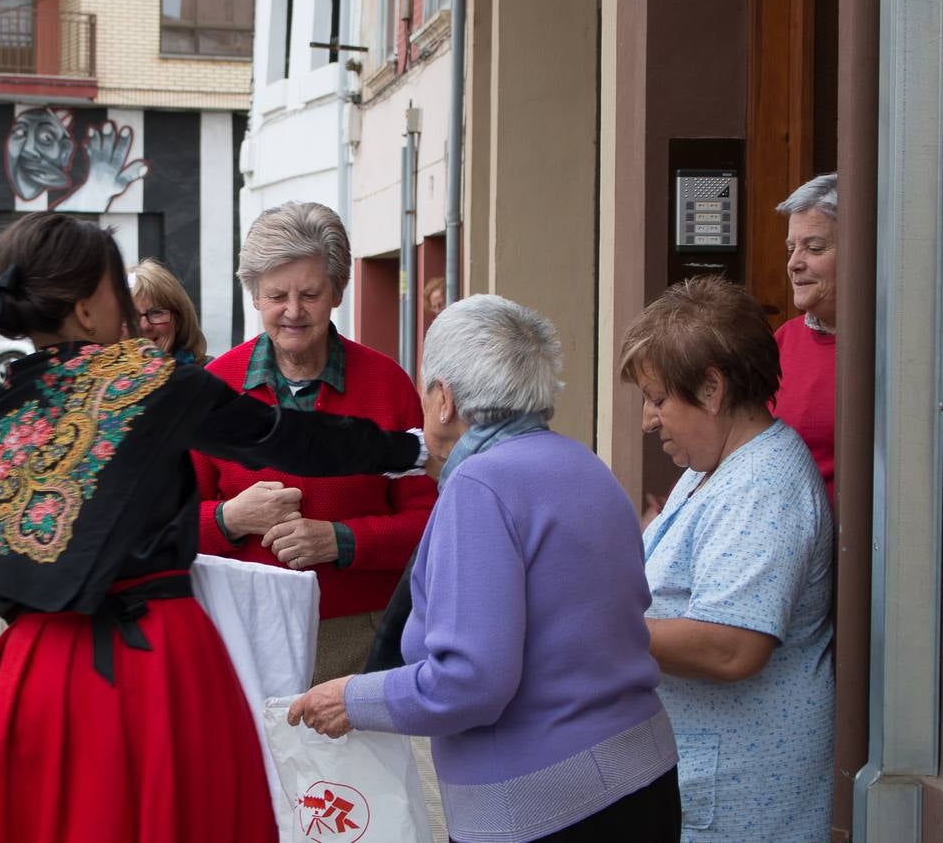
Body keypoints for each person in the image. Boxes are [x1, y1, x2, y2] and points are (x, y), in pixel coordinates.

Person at [0, 212, 424, 843]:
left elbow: (1, 578)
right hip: (149, 658)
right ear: (90, 309)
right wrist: (411, 452)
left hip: (29, 668)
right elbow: (288, 441)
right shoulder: (146, 386)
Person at [290, 295, 680, 843]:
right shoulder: (586, 465)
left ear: (443, 400)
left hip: (545, 804)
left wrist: (352, 699)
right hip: (642, 773)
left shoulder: (480, 486)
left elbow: (469, 683)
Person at [619, 275, 834, 840]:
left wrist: (593, 627)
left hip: (743, 799)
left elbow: (731, 647)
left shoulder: (764, 485)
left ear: (712, 389)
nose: (647, 420)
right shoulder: (711, 465)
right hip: (705, 781)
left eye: (658, 398)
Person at [191, 201, 437, 684]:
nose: (293, 312)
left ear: (338, 290)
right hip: (239, 629)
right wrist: (228, 518)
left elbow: (429, 523)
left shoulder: (388, 386)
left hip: (357, 636)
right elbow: (165, 524)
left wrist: (341, 540)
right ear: (255, 296)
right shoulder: (214, 386)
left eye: (310, 293)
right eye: (276, 295)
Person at [773, 172, 838, 502]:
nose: (794, 263)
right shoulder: (783, 340)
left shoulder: (894, 348)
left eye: (813, 248)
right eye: (791, 248)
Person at [128, 257, 209, 365]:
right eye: (131, 316)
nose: (144, 326)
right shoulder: (100, 380)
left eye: (156, 312)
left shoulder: (211, 376)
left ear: (179, 320)